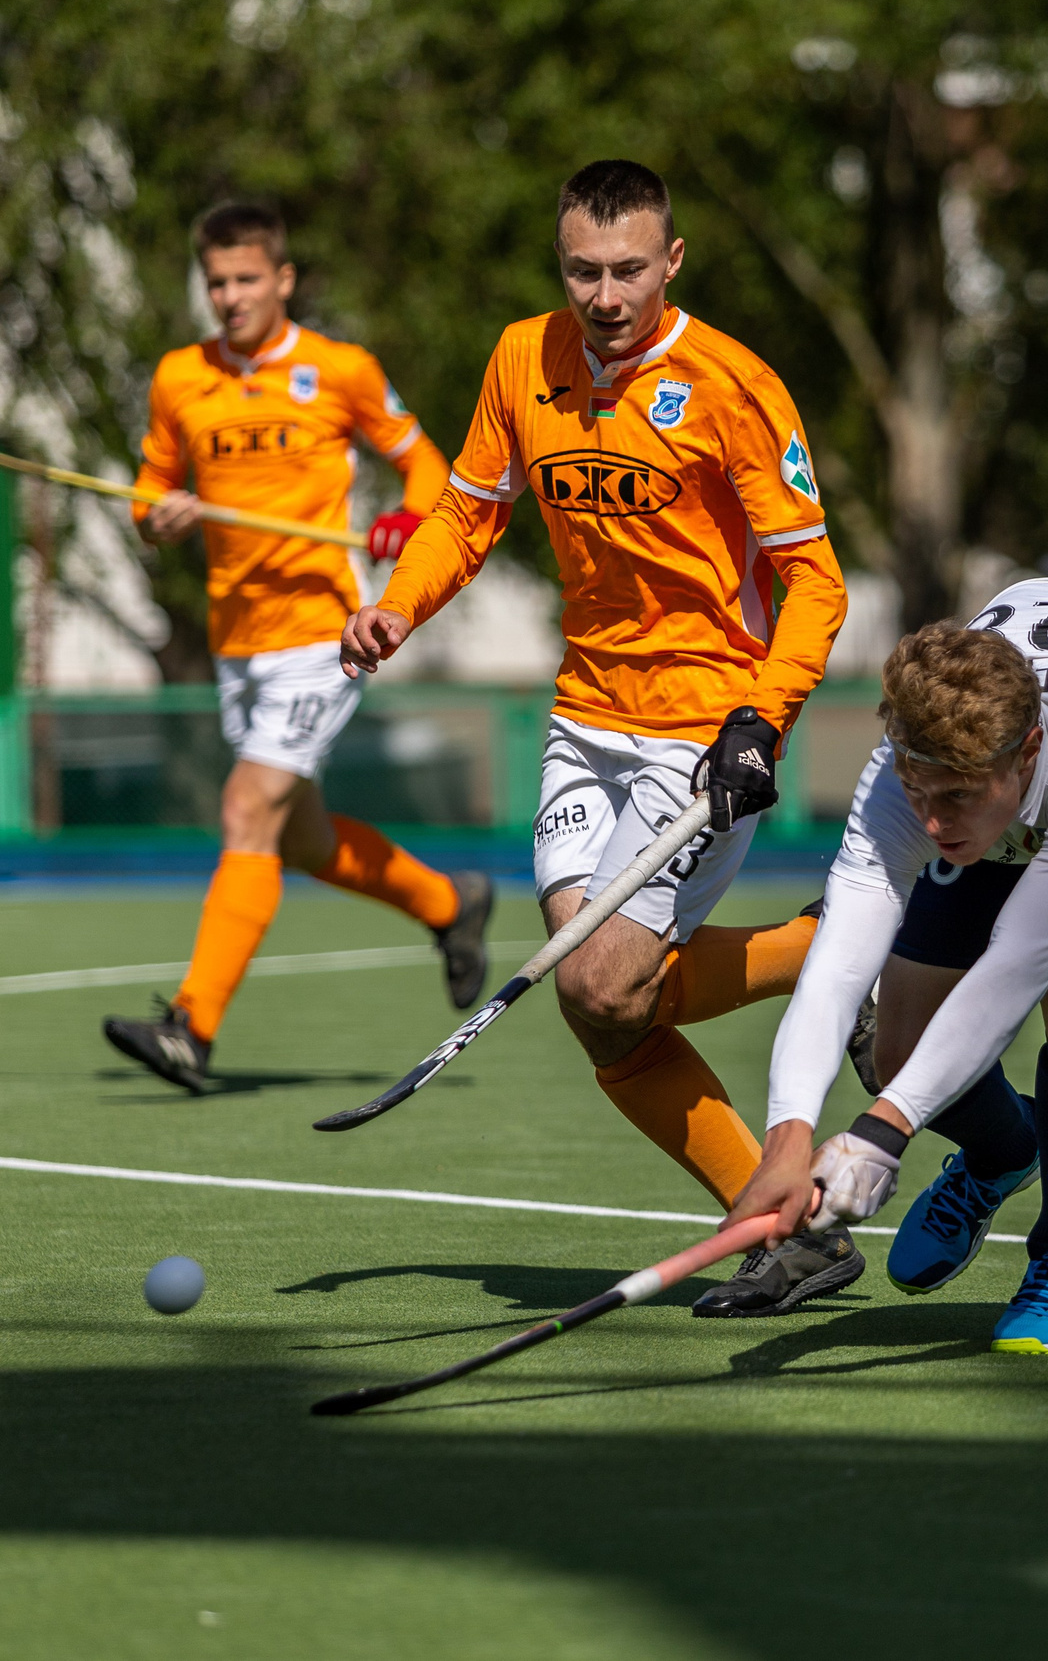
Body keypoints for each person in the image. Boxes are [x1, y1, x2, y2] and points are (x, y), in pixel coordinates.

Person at [342, 161, 854, 1310]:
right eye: (584, 271)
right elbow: (468, 511)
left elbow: (815, 583)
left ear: (672, 261)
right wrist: (398, 608)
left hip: (705, 720)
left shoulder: (733, 384)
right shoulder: (523, 357)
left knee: (610, 981)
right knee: (599, 1005)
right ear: (559, 264)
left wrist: (761, 720)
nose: (606, 296)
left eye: (629, 271)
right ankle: (788, 1217)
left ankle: (834, 964)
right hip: (586, 715)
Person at [718, 578, 1048, 1350]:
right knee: (898, 1048)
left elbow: (1019, 963)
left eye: (958, 796)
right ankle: (1007, 1150)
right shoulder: (909, 770)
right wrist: (787, 1139)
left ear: (1027, 753)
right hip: (1031, 727)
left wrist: (882, 1131)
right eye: (920, 793)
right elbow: (838, 962)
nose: (935, 820)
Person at [102, 201, 494, 1094]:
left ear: (282, 278)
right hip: (235, 641)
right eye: (216, 282)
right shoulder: (179, 377)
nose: (230, 297)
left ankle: (192, 1028)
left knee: (248, 809)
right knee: (304, 837)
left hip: (323, 635)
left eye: (246, 279)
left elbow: (427, 468)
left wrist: (405, 523)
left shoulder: (341, 369)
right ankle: (451, 902)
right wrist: (157, 518)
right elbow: (148, 492)